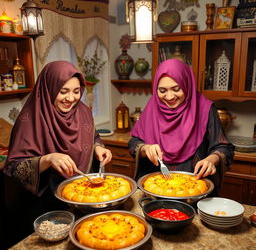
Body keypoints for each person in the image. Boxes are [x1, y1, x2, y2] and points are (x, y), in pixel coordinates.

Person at [2, 60, 112, 248]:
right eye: (63, 91)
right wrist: (47, 159)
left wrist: (98, 147)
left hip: (82, 200)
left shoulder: (83, 112)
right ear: (49, 89)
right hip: (45, 208)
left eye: (76, 91)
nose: (71, 98)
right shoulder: (29, 119)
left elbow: (92, 136)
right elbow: (13, 168)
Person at [129, 59, 234, 195]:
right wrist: (145, 148)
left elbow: (224, 147)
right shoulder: (152, 107)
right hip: (155, 190)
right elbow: (134, 143)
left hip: (194, 190)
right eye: (162, 90)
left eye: (176, 89)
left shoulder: (205, 109)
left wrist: (211, 160)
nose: (170, 96)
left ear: (186, 84)